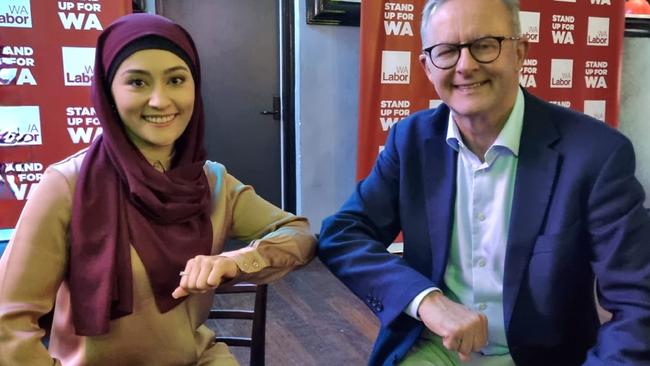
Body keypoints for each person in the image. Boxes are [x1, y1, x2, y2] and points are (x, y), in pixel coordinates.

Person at [318, 0, 650, 365]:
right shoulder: (410, 140)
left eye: (484, 45)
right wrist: (426, 300)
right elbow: (343, 234)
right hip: (436, 348)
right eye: (446, 51)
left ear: (520, 52)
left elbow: (638, 303)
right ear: (427, 67)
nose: (466, 65)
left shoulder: (595, 153)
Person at [0, 13, 315, 366]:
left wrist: (236, 261)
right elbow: (7, 327)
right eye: (137, 82)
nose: (160, 101)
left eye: (176, 80)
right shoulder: (67, 186)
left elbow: (299, 234)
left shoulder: (211, 182)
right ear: (108, 91)